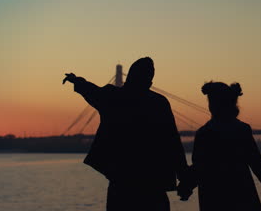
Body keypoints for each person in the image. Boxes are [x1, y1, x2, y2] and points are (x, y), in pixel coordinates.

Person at [63, 57, 188, 211]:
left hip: (121, 183)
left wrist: (76, 81)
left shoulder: (113, 96)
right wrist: (184, 178)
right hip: (153, 186)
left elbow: (92, 91)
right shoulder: (158, 103)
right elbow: (173, 143)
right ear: (150, 80)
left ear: (129, 76)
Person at [178, 81, 261, 211]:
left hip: (213, 197)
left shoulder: (204, 133)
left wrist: (186, 186)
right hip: (242, 194)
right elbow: (256, 163)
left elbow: (199, 167)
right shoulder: (242, 130)